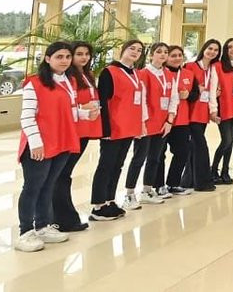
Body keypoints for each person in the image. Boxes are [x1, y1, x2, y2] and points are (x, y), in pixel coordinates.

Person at [16, 42, 89, 252]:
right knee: (33, 187)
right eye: (59, 57)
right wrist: (36, 144)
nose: (64, 61)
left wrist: (85, 114)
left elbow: (69, 112)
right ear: (48, 59)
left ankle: (43, 226)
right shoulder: (34, 83)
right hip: (40, 144)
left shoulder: (69, 81)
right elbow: (27, 116)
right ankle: (25, 232)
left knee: (48, 185)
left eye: (67, 57)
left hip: (62, 142)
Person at [89, 40, 146, 222]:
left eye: (139, 50)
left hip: (128, 127)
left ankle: (110, 200)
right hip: (113, 127)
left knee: (117, 165)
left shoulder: (135, 73)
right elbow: (103, 101)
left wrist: (139, 125)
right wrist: (104, 129)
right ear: (123, 50)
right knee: (106, 165)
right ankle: (98, 205)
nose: (135, 52)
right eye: (132, 48)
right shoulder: (110, 72)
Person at [51, 41, 101, 232]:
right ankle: (61, 218)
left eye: (87, 54)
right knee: (62, 174)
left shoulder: (87, 75)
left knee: (65, 174)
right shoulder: (68, 77)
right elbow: (65, 103)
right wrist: (81, 107)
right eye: (79, 54)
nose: (84, 57)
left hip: (85, 128)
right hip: (72, 130)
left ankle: (65, 216)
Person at [124, 43, 175, 209]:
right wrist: (141, 122)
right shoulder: (143, 74)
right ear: (151, 55)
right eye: (159, 52)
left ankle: (147, 190)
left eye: (166, 52)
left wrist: (170, 120)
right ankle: (129, 194)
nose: (163, 55)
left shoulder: (168, 74)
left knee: (155, 158)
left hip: (162, 123)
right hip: (146, 123)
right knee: (139, 158)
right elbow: (141, 100)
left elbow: (174, 98)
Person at [184, 40, 218, 192]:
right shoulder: (190, 66)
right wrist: (196, 89)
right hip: (191, 112)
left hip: (203, 112)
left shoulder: (213, 69)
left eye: (216, 50)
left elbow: (213, 92)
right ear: (204, 49)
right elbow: (184, 87)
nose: (212, 52)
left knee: (194, 147)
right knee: (200, 146)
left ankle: (188, 180)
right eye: (210, 48)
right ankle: (203, 182)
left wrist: (213, 110)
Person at [211, 38, 233, 184]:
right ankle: (213, 170)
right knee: (227, 140)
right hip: (224, 106)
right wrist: (213, 108)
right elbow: (213, 88)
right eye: (230, 47)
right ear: (225, 49)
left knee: (230, 140)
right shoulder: (217, 66)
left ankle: (225, 170)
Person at [162, 45, 193, 196]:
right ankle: (157, 186)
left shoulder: (188, 74)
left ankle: (173, 183)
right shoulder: (161, 73)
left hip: (181, 120)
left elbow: (195, 95)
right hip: (162, 120)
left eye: (180, 55)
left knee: (182, 152)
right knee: (159, 155)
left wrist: (189, 95)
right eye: (173, 55)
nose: (177, 58)